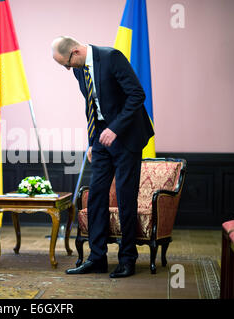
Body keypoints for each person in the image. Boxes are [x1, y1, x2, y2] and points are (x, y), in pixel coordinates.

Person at [51, 36, 154, 278]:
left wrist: (115, 128)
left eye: (66, 63)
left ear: (75, 52)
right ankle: (96, 258)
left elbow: (137, 95)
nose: (67, 69)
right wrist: (91, 142)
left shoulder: (111, 58)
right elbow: (91, 106)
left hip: (126, 136)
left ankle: (127, 259)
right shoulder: (79, 71)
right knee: (96, 195)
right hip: (101, 139)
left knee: (125, 197)